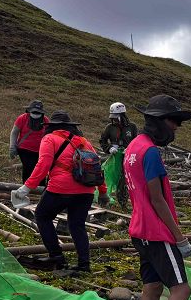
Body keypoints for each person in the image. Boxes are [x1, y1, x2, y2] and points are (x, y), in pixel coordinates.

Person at [123, 95, 191, 300]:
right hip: (156, 232)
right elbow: (157, 198)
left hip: (139, 230)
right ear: (160, 121)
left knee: (152, 289)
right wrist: (179, 238)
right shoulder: (150, 152)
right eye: (174, 121)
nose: (177, 128)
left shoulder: (133, 147)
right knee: (181, 289)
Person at [12, 112, 108, 273]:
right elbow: (97, 167)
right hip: (86, 190)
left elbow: (43, 165)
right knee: (77, 225)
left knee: (43, 216)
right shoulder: (83, 141)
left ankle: (56, 256)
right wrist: (103, 191)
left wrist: (25, 188)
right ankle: (84, 264)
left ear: (52, 127)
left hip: (61, 188)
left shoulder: (49, 139)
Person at [100, 102, 137, 207]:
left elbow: (136, 141)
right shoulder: (109, 127)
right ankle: (107, 199)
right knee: (110, 177)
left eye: (116, 117)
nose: (114, 120)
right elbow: (102, 140)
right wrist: (109, 148)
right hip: (114, 157)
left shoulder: (132, 127)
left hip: (128, 157)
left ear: (122, 115)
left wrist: (130, 150)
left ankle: (123, 202)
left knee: (125, 179)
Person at [9, 101, 49, 183]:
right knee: (28, 168)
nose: (36, 113)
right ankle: (26, 187)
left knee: (41, 169)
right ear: (29, 110)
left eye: (38, 112)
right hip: (24, 149)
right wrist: (12, 146)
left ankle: (40, 188)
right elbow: (14, 132)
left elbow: (49, 135)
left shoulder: (46, 120)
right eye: (34, 111)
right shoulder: (22, 118)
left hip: (41, 150)